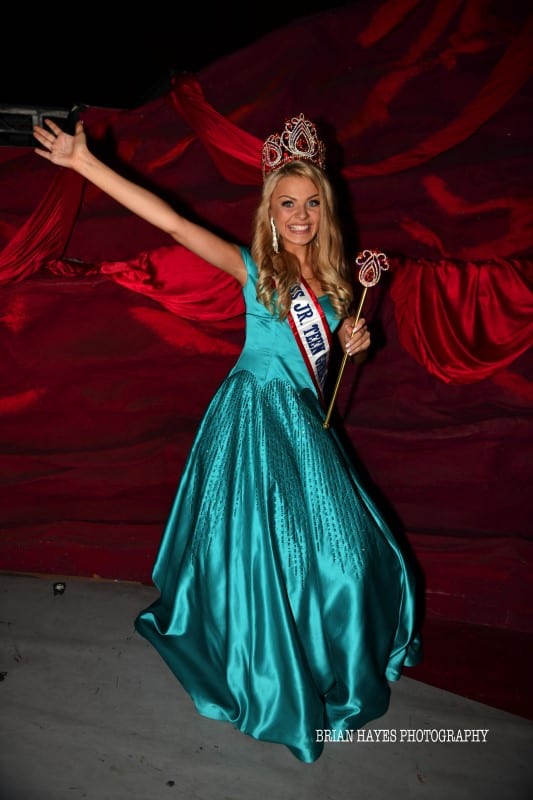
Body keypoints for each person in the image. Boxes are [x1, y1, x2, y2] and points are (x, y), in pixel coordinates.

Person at [33, 112, 421, 763]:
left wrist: (354, 343)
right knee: (257, 555)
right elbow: (174, 224)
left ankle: (319, 654)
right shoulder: (255, 269)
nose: (299, 214)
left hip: (303, 427)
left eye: (311, 202)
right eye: (286, 203)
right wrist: (84, 163)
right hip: (249, 419)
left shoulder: (337, 284)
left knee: (348, 557)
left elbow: (324, 366)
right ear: (270, 211)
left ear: (326, 209)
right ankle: (261, 664)